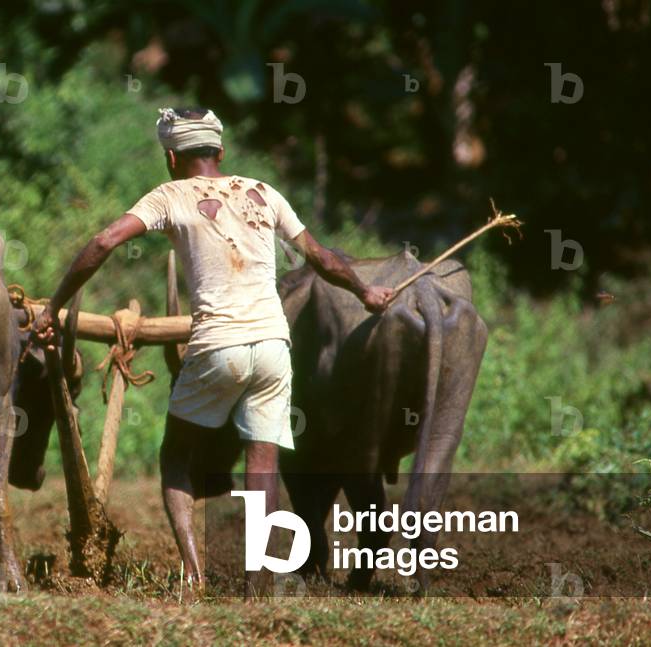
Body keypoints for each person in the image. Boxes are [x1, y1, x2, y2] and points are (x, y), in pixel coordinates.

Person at [35, 107, 393, 595]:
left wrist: (51, 306)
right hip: (272, 345)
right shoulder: (263, 192)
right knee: (262, 466)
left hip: (215, 345)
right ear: (220, 153)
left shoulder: (170, 194)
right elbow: (324, 258)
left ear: (170, 157)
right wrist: (365, 293)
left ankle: (194, 573)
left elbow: (103, 241)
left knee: (177, 456)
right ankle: (257, 586)